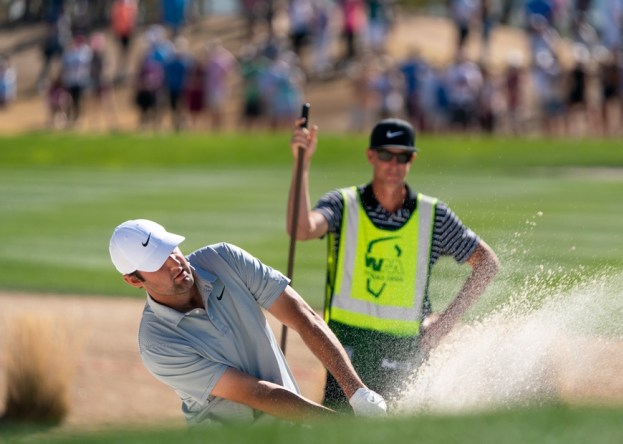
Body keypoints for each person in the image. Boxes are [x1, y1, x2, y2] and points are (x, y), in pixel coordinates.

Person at [287, 118, 500, 407]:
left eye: (403, 156)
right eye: (386, 154)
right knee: (340, 427)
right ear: (371, 155)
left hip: (404, 347)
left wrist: (445, 323)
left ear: (413, 159)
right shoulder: (344, 204)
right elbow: (301, 229)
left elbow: (487, 263)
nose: (394, 163)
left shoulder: (433, 215)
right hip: (345, 345)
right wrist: (303, 164)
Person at [108, 219, 387, 425]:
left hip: (289, 425)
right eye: (157, 261)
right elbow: (256, 393)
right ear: (134, 280)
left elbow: (305, 318)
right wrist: (344, 428)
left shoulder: (225, 259)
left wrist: (358, 393)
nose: (174, 262)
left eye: (172, 248)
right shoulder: (157, 344)